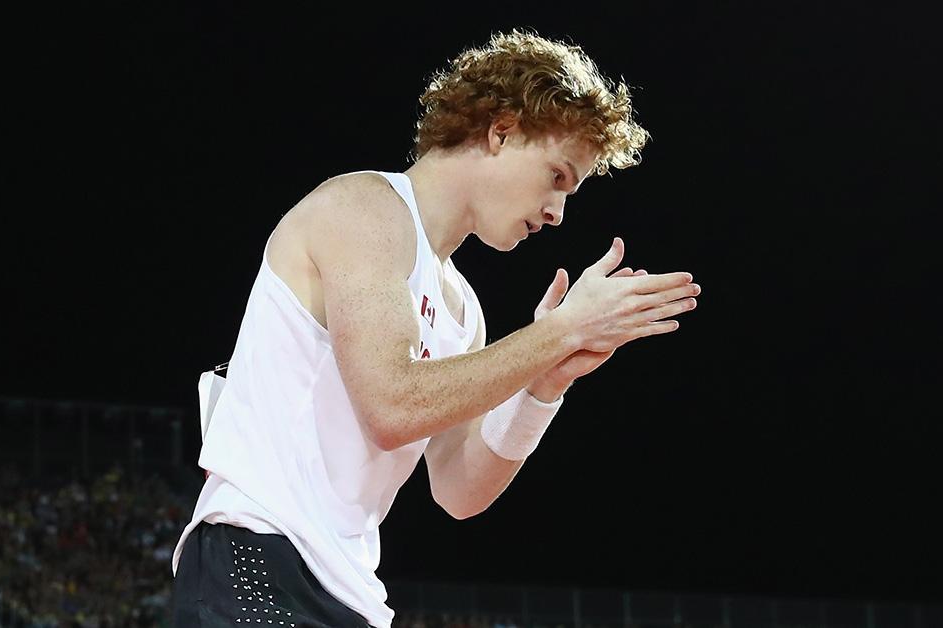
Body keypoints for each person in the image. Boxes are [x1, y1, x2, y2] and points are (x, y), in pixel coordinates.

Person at [170, 29, 700, 627]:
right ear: (501, 130)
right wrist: (558, 333)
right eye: (558, 177)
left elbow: (459, 490)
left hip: (348, 593)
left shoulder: (461, 309)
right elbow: (392, 406)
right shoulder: (365, 208)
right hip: (257, 560)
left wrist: (542, 386)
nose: (558, 213)